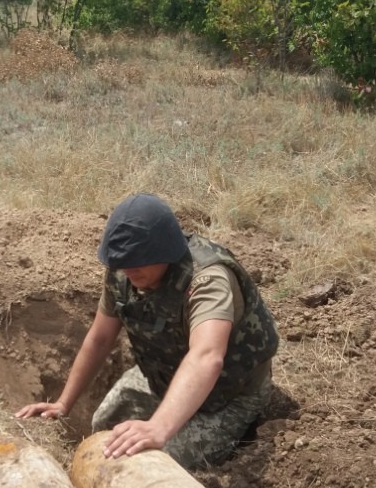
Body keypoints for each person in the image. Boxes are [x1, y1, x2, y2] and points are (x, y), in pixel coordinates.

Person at [15, 193, 279, 469]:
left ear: (165, 251)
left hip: (229, 395)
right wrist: (63, 403)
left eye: (137, 261)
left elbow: (206, 356)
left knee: (157, 461)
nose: (128, 270)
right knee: (105, 426)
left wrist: (158, 427)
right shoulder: (125, 270)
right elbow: (100, 338)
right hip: (163, 375)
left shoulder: (207, 280)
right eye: (122, 262)